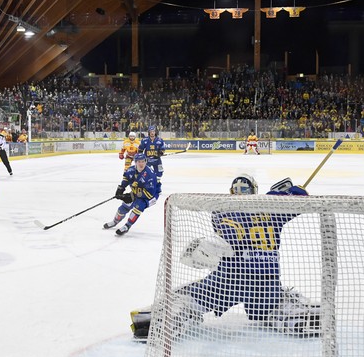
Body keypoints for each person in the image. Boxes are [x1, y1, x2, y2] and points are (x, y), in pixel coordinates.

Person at [130, 175, 320, 340]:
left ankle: (172, 317)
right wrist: (294, 193)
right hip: (267, 282)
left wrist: (216, 241)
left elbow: (231, 227)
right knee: (271, 305)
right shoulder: (273, 208)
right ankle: (291, 314)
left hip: (229, 280)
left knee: (190, 297)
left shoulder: (223, 208)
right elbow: (295, 204)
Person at [103, 153, 160, 236]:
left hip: (151, 196)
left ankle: (127, 226)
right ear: (135, 162)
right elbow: (126, 178)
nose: (141, 164)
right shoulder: (131, 170)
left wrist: (132, 196)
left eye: (143, 161)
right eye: (139, 161)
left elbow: (149, 194)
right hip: (137, 192)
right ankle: (114, 222)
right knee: (124, 206)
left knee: (138, 207)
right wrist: (120, 189)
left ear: (146, 162)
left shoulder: (150, 175)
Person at [138, 125, 165, 190]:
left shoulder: (160, 140)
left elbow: (162, 149)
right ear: (149, 132)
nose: (152, 133)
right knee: (146, 174)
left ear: (155, 132)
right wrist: (140, 157)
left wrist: (160, 153)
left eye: (153, 131)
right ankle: (147, 187)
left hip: (157, 160)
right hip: (148, 160)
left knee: (159, 173)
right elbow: (140, 150)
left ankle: (157, 187)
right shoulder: (145, 140)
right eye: (151, 131)